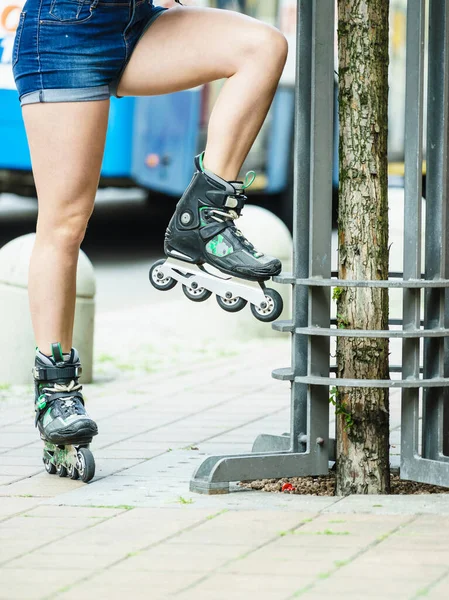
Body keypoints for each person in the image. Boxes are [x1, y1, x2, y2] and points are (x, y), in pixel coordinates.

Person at [12, 0, 288, 466]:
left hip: (138, 23)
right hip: (63, 35)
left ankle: (203, 219)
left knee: (262, 46)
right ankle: (55, 392)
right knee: (65, 223)